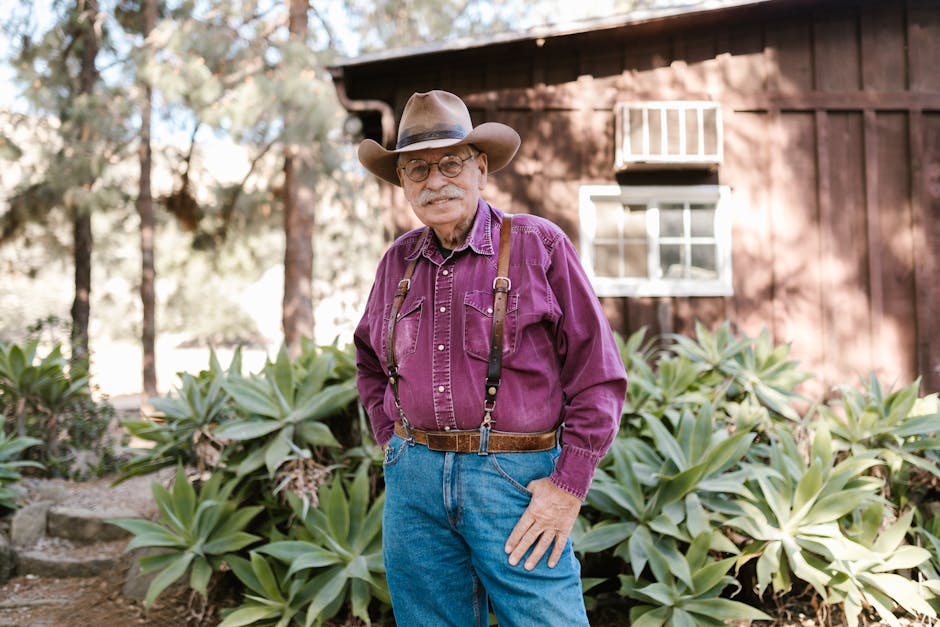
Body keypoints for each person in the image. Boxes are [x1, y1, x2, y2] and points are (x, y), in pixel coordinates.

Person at [354, 90, 627, 627]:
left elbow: (598, 377)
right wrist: (393, 443)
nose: (435, 182)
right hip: (415, 484)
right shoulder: (397, 260)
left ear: (480, 169)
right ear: (404, 183)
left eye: (450, 163)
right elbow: (369, 360)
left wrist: (568, 484)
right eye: (417, 170)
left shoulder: (538, 244)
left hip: (514, 481)